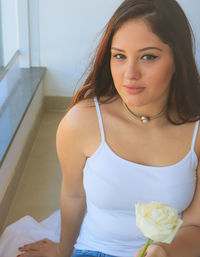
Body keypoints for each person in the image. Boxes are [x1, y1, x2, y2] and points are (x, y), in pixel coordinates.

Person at [16, 0, 200, 256]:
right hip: (95, 250)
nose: (130, 73)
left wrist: (163, 251)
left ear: (177, 58)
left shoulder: (197, 131)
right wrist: (63, 250)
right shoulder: (81, 121)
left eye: (148, 56)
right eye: (119, 56)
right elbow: (73, 195)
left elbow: (195, 224)